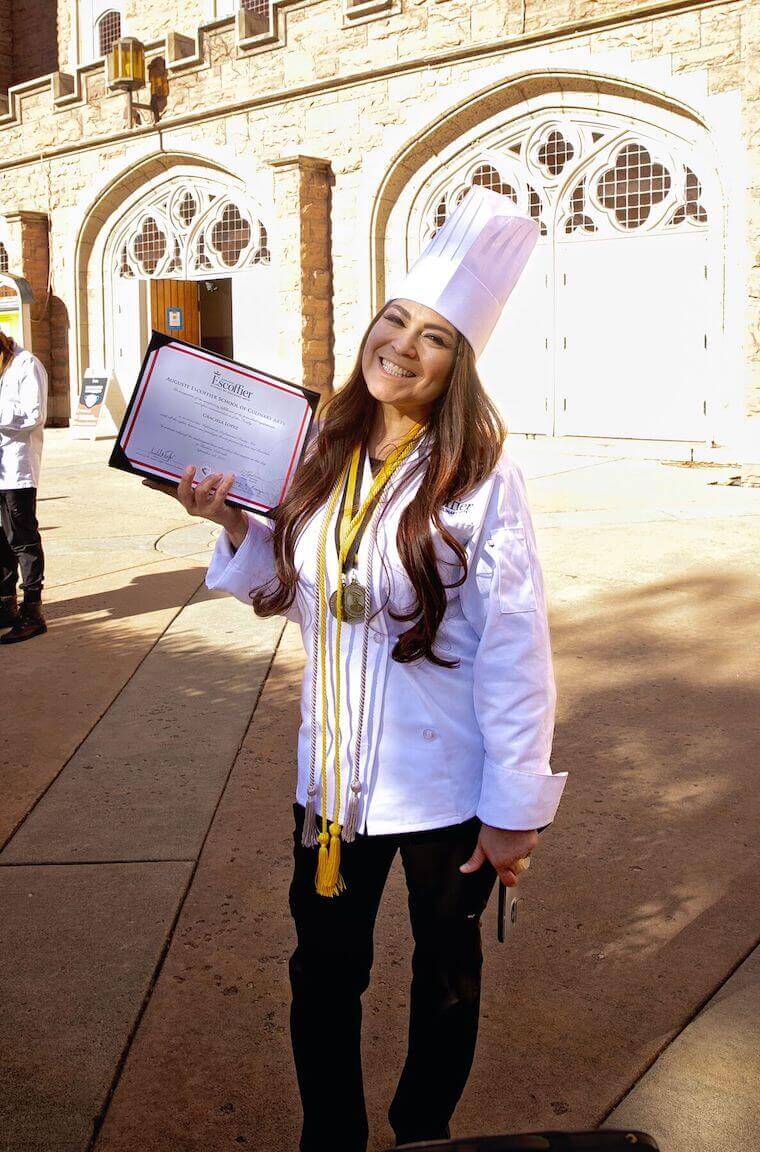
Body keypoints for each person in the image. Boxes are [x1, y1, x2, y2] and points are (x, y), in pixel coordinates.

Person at [145, 187, 568, 1151]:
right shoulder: (321, 450)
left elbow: (514, 645)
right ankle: (329, 1136)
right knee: (323, 972)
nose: (404, 346)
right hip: (332, 782)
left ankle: (422, 1132)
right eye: (395, 321)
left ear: (460, 367)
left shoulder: (481, 478)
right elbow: (295, 592)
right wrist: (229, 524)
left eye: (436, 338)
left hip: (442, 789)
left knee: (446, 975)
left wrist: (513, 810)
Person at [0, 328, 48, 644]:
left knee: (22, 539)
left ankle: (33, 611)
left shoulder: (26, 364)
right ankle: (6, 606)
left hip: (18, 471)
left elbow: (35, 414)